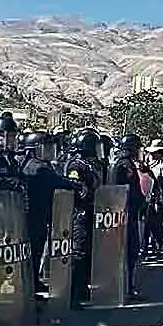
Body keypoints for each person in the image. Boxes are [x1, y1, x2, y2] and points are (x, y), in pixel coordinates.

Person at [19, 131, 80, 294]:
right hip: (34, 214)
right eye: (46, 148)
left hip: (39, 214)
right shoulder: (37, 167)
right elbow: (58, 182)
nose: (50, 151)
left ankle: (34, 282)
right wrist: (77, 186)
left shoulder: (39, 165)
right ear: (35, 149)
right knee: (34, 250)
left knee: (37, 251)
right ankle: (30, 285)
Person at [65, 129, 102, 308]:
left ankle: (83, 288)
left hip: (90, 212)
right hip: (79, 214)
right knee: (78, 253)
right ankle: (73, 294)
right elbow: (76, 188)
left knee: (87, 252)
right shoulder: (76, 165)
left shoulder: (91, 164)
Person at [110, 134, 148, 299]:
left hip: (129, 213)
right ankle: (126, 287)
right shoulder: (124, 164)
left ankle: (127, 285)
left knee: (131, 250)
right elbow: (125, 190)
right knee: (129, 251)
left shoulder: (125, 162)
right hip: (126, 214)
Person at [143, 140, 163, 257]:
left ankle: (158, 247)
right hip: (147, 199)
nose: (152, 155)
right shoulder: (149, 165)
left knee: (157, 225)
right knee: (146, 225)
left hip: (158, 200)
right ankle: (145, 248)